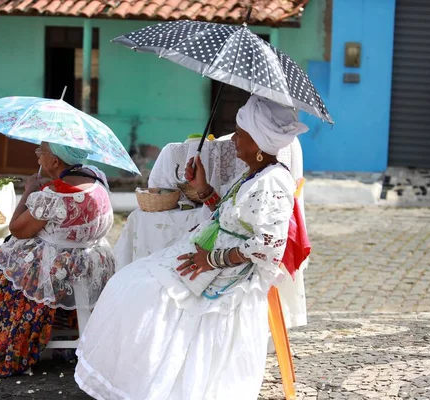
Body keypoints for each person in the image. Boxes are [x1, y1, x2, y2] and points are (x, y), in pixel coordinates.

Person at [75, 95, 309, 399]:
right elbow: (229, 218)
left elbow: (269, 247)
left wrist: (211, 259)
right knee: (129, 283)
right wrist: (204, 189)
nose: (234, 139)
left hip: (227, 277)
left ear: (261, 143)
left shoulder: (273, 183)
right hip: (207, 261)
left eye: (242, 133)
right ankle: (143, 380)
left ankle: (159, 385)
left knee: (144, 294)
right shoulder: (253, 175)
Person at [0, 142, 115, 377]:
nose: (38, 158)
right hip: (88, 260)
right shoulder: (96, 179)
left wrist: (28, 191)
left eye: (41, 153)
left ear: (55, 161)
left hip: (50, 267)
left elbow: (17, 229)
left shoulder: (55, 195)